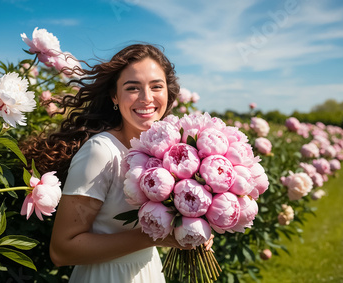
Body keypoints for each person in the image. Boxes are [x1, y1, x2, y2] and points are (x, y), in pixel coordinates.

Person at [23, 44, 213, 282]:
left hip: (148, 271)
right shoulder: (101, 152)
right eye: (132, 88)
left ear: (168, 93)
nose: (146, 98)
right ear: (114, 96)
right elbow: (62, 250)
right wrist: (154, 237)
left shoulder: (171, 150)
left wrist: (192, 227)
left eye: (156, 86)